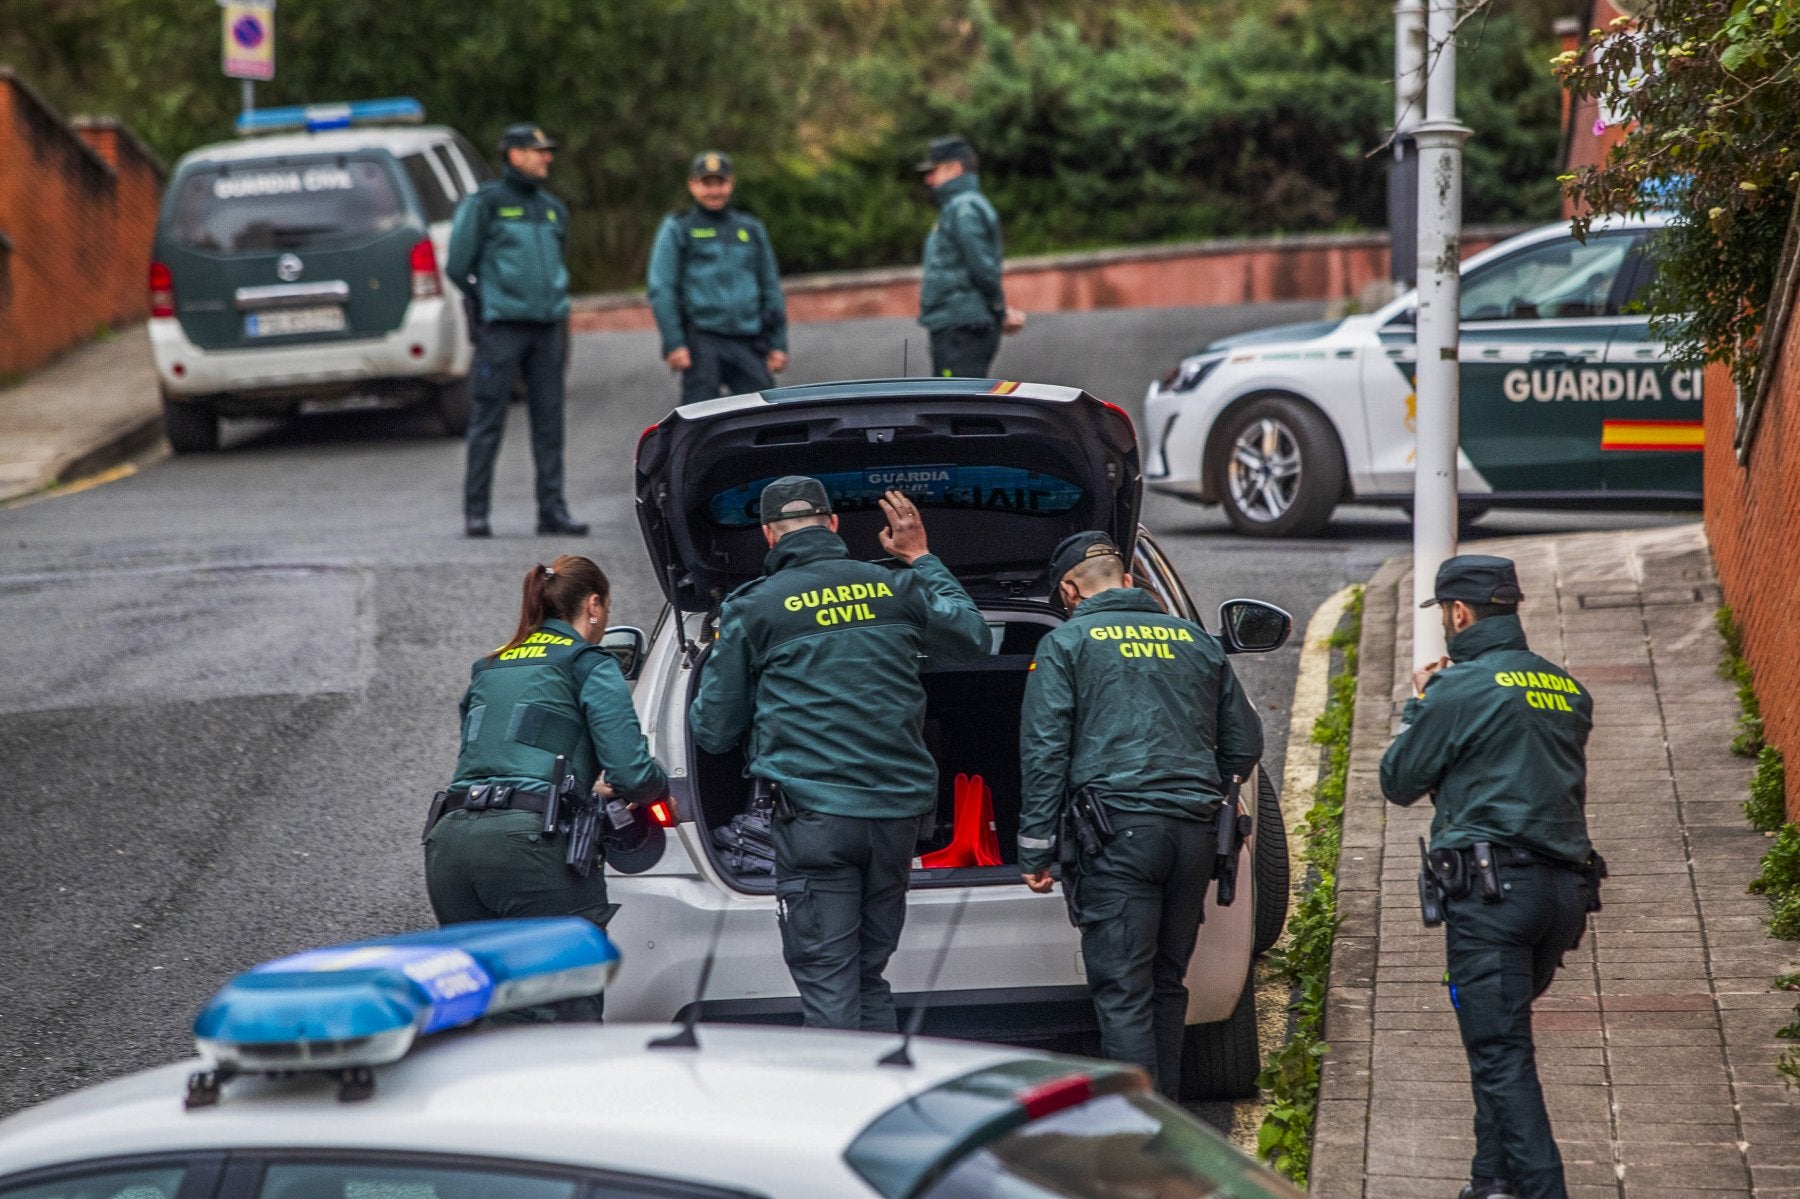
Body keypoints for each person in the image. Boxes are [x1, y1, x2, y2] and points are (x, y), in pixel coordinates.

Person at [690, 477, 987, 1029]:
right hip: (897, 819)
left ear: (768, 535)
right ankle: (879, 1105)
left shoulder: (754, 608)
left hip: (816, 822)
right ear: (832, 525)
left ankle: (838, 1109)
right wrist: (921, 556)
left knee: (828, 981)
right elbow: (972, 637)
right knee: (867, 976)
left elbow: (713, 730)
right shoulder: (894, 587)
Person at [1379, 555, 1599, 1199]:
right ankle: (1490, 1181)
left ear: (1459, 613)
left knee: (1501, 1054)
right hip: (1563, 895)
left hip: (1493, 895)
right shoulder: (1566, 688)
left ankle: (1540, 1189)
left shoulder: (1459, 688)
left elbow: (1399, 780)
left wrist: (1421, 703)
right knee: (1499, 1040)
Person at [1015, 532, 1263, 1097]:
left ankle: (1141, 1132)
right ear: (1129, 581)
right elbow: (1245, 747)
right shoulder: (1197, 642)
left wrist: (1035, 846)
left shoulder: (1068, 644)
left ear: (1069, 591)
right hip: (1196, 838)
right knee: (1167, 982)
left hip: (1118, 838)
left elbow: (1045, 749)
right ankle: (1167, 1121)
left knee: (1124, 990)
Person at [424, 554, 668, 1020]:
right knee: (567, 1012)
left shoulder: (490, 665)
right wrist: (659, 789)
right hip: (530, 848)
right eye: (606, 610)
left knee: (492, 1013)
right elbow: (631, 771)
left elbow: (490, 755)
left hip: (450, 846)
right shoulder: (587, 662)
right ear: (593, 605)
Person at [446, 124, 587, 538]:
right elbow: (458, 264)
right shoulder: (487, 203)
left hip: (547, 329)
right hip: (503, 328)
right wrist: (487, 300)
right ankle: (476, 512)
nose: (546, 157)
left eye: (547, 151)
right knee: (488, 417)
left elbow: (558, 261)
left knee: (549, 420)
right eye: (537, 151)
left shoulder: (551, 207)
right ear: (513, 155)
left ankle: (552, 510)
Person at [646, 151, 789, 404]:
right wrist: (674, 342)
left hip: (749, 339)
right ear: (692, 185)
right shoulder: (679, 228)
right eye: (706, 183)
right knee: (700, 423)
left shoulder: (750, 228)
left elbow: (770, 287)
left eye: (720, 183)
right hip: (702, 339)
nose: (714, 191)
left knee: (765, 416)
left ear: (731, 183)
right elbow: (662, 288)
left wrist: (778, 343)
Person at [915, 136, 1026, 378]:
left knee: (957, 407)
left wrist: (999, 310)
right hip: (958, 325)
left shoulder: (964, 208)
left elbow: (982, 268)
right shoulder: (958, 207)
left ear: (955, 168)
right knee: (956, 405)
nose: (929, 179)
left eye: (934, 171)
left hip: (963, 328)